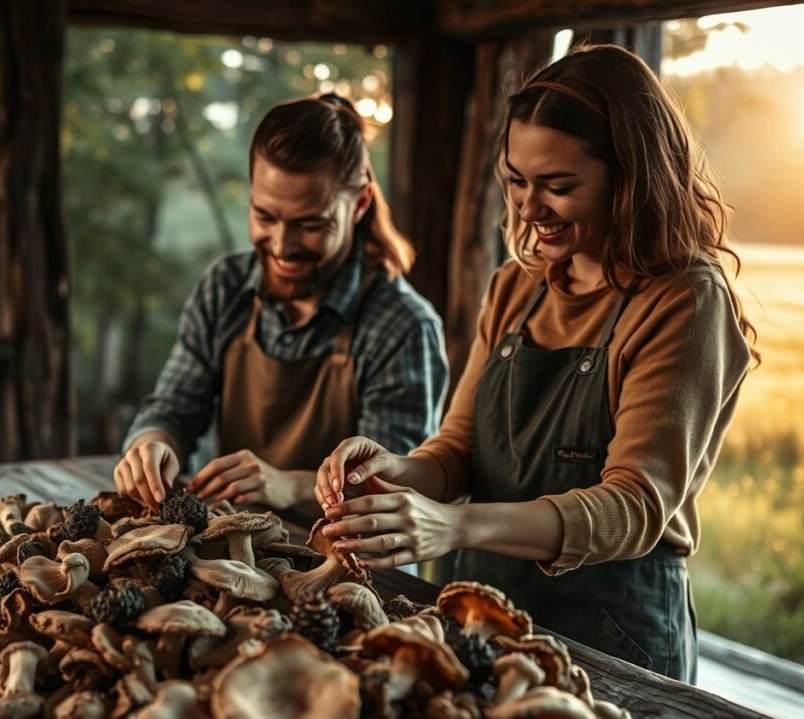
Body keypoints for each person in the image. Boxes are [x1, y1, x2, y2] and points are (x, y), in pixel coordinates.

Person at [314, 44, 755, 683]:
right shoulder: (516, 287)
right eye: (518, 179)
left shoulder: (685, 299)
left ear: (630, 176)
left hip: (613, 633)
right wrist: (398, 471)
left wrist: (454, 524)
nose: (528, 207)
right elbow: (459, 449)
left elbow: (632, 506)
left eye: (559, 186)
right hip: (475, 614)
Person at [114, 94, 448, 514]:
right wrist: (153, 441)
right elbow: (174, 409)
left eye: (310, 224)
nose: (282, 246)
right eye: (265, 216)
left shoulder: (402, 326)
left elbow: (391, 490)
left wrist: (288, 486)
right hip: (245, 559)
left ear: (359, 203)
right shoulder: (225, 288)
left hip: (365, 570)